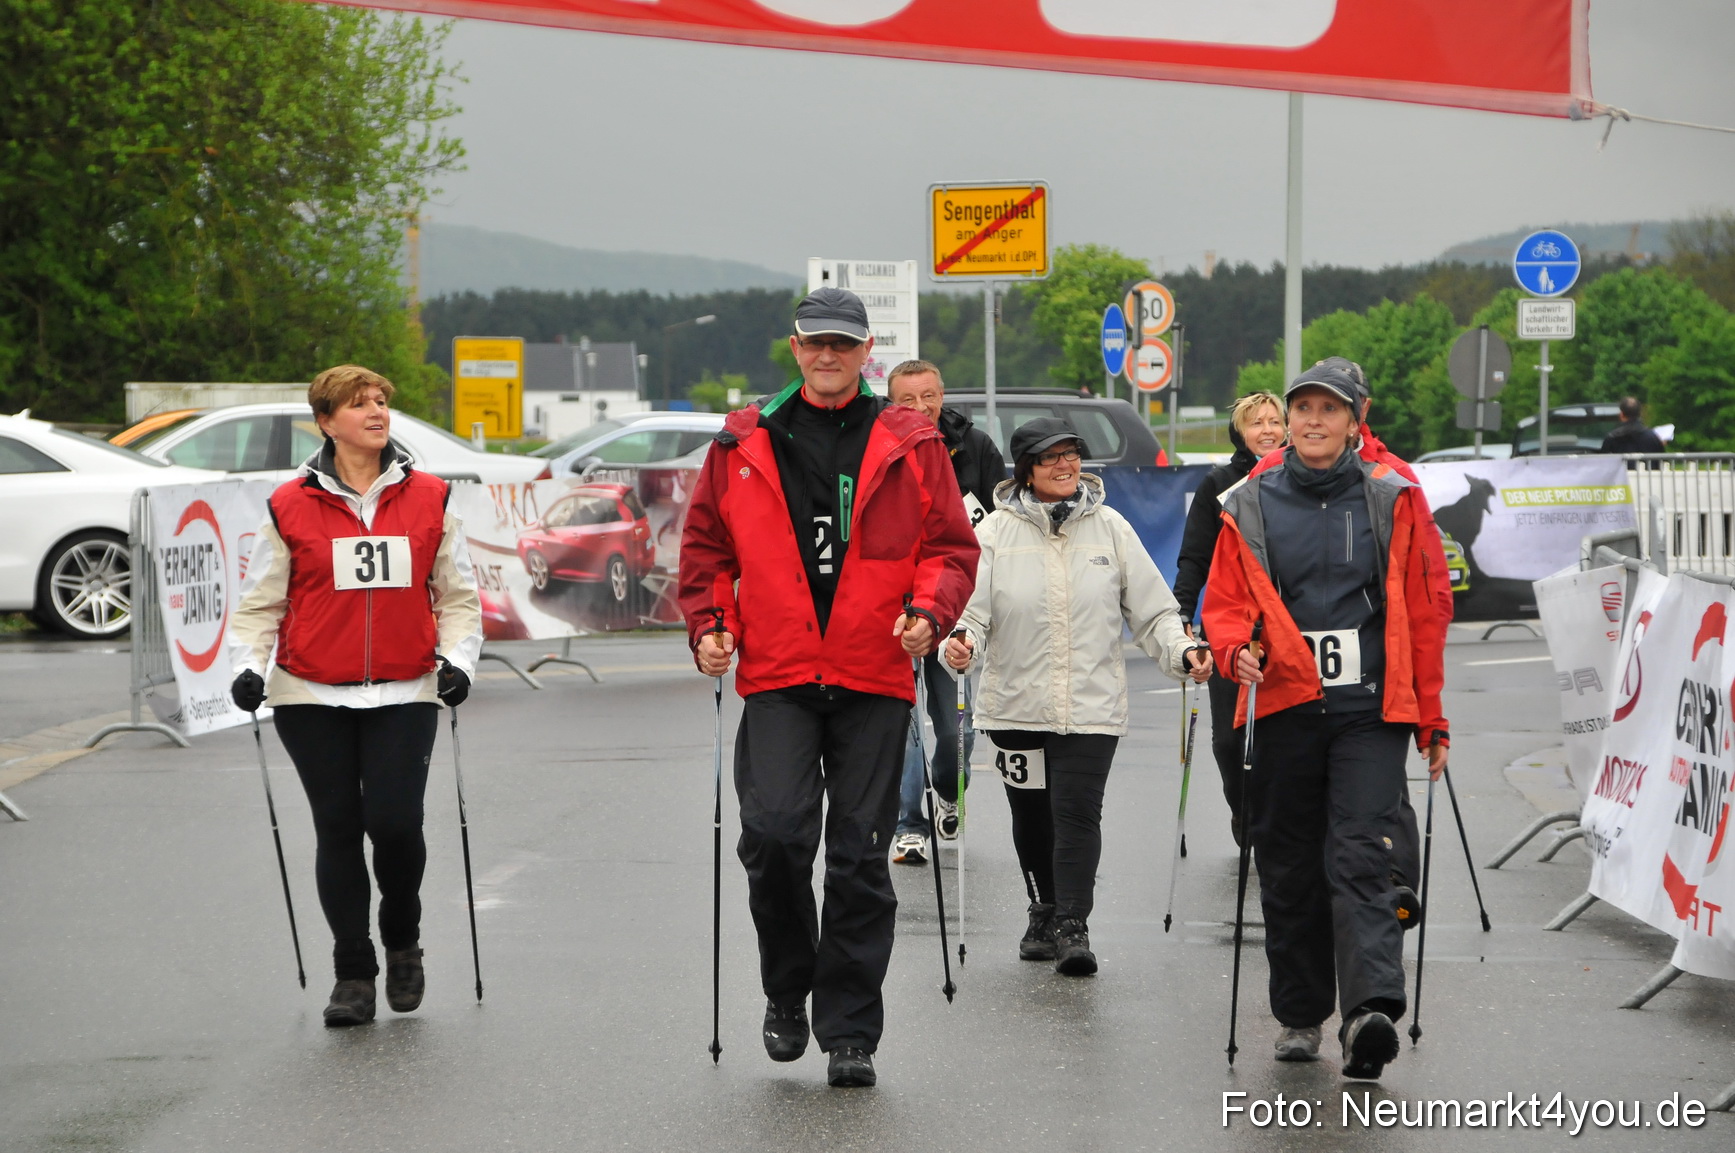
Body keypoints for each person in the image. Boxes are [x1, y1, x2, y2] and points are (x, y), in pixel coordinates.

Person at [677, 287, 979, 1089]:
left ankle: (850, 1029)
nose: (828, 356)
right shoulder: (742, 439)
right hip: (776, 671)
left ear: (865, 349)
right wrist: (710, 622)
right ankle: (787, 988)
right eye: (816, 343)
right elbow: (705, 549)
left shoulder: (910, 441)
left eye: (843, 345)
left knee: (857, 857)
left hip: (873, 670)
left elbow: (949, 549)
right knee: (773, 837)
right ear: (794, 345)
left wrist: (929, 610)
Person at [1202, 364, 1450, 1080]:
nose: (1312, 422)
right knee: (1286, 861)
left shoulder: (1391, 498)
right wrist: (1231, 649)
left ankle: (1369, 1008)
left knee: (1359, 849)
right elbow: (1223, 601)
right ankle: (1299, 1014)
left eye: (1327, 411)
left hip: (1367, 711)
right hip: (1282, 704)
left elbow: (1426, 609)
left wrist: (1429, 716)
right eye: (1301, 409)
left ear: (1355, 419)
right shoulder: (1246, 501)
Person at [228, 364, 481, 1027]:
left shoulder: (430, 496)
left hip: (405, 688)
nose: (375, 411)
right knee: (336, 827)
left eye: (380, 402)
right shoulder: (289, 504)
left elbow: (456, 596)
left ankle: (402, 934)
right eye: (357, 403)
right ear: (325, 421)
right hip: (309, 691)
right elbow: (260, 602)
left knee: (395, 823)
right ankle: (353, 972)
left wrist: (457, 661)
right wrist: (249, 665)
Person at [943, 417, 1212, 976]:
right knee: (1033, 816)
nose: (1066, 466)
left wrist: (1181, 651)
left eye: (1072, 455)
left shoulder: (1110, 527)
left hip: (1092, 704)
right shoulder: (992, 534)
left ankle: (1072, 925)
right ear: (1025, 471)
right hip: (1015, 706)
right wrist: (960, 642)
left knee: (1076, 814)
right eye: (1050, 459)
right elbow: (969, 611)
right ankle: (1041, 909)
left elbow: (1155, 609)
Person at [884, 359, 1004, 867]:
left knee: (957, 728)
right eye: (906, 400)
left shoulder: (974, 447)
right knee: (904, 724)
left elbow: (1003, 522)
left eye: (927, 397)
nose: (919, 408)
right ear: (890, 403)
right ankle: (909, 825)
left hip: (955, 604)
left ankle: (948, 790)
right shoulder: (876, 448)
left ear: (942, 395)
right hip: (892, 611)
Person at [1172, 391, 1285, 845]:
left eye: (1274, 421)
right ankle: (1245, 814)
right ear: (1240, 431)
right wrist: (1182, 612)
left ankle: (1279, 825)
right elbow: (1194, 557)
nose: (1267, 431)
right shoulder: (1219, 485)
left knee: (1280, 740)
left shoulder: (1300, 478)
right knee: (1228, 741)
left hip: (1286, 631)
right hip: (1230, 630)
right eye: (1256, 423)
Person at [1599, 396, 1666, 456]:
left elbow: (1603, 464)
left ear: (1621, 415)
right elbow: (1661, 463)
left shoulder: (1612, 437)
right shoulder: (1653, 437)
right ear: (1639, 414)